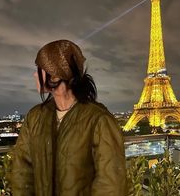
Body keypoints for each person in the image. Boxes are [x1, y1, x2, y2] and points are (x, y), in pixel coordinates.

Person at [10, 40, 127, 196]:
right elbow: (22, 171)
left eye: (40, 69)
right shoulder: (34, 117)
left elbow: (111, 185)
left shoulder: (99, 120)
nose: (34, 74)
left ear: (55, 75)